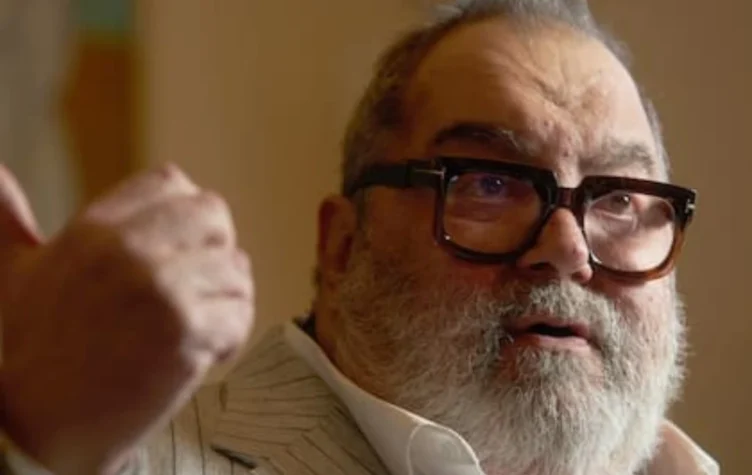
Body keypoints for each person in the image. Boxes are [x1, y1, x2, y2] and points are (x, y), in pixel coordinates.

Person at [0, 0, 720, 474]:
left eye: (619, 198)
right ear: (343, 247)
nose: (566, 247)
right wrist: (31, 439)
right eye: (488, 183)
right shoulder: (117, 458)